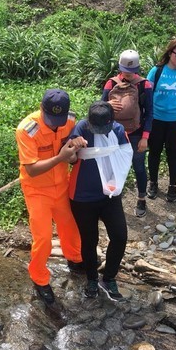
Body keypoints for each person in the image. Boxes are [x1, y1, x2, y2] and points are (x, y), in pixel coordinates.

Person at [15, 89, 87, 305]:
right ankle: (39, 278)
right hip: (37, 190)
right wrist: (61, 157)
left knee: (71, 227)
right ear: (41, 108)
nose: (56, 124)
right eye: (51, 119)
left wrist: (75, 153)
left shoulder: (70, 120)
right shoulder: (27, 130)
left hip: (62, 186)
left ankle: (75, 259)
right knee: (44, 238)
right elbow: (32, 170)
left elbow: (73, 147)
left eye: (59, 120)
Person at [68, 101, 133, 301]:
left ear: (111, 121)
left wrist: (115, 185)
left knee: (120, 236)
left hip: (109, 195)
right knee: (89, 240)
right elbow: (69, 158)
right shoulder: (80, 127)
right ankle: (92, 279)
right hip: (82, 196)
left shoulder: (119, 130)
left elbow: (124, 156)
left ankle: (109, 277)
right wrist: (73, 145)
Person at [101, 49, 154, 218]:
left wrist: (145, 137)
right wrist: (108, 104)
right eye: (126, 71)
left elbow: (149, 113)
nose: (129, 74)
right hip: (114, 134)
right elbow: (99, 108)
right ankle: (111, 199)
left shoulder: (144, 85)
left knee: (139, 167)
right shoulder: (111, 83)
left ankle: (141, 199)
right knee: (112, 167)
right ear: (120, 68)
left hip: (136, 133)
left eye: (132, 71)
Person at [146, 37, 176, 202]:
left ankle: (172, 186)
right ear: (170, 52)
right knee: (154, 152)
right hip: (157, 119)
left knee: (173, 153)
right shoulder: (157, 71)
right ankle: (153, 183)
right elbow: (147, 94)